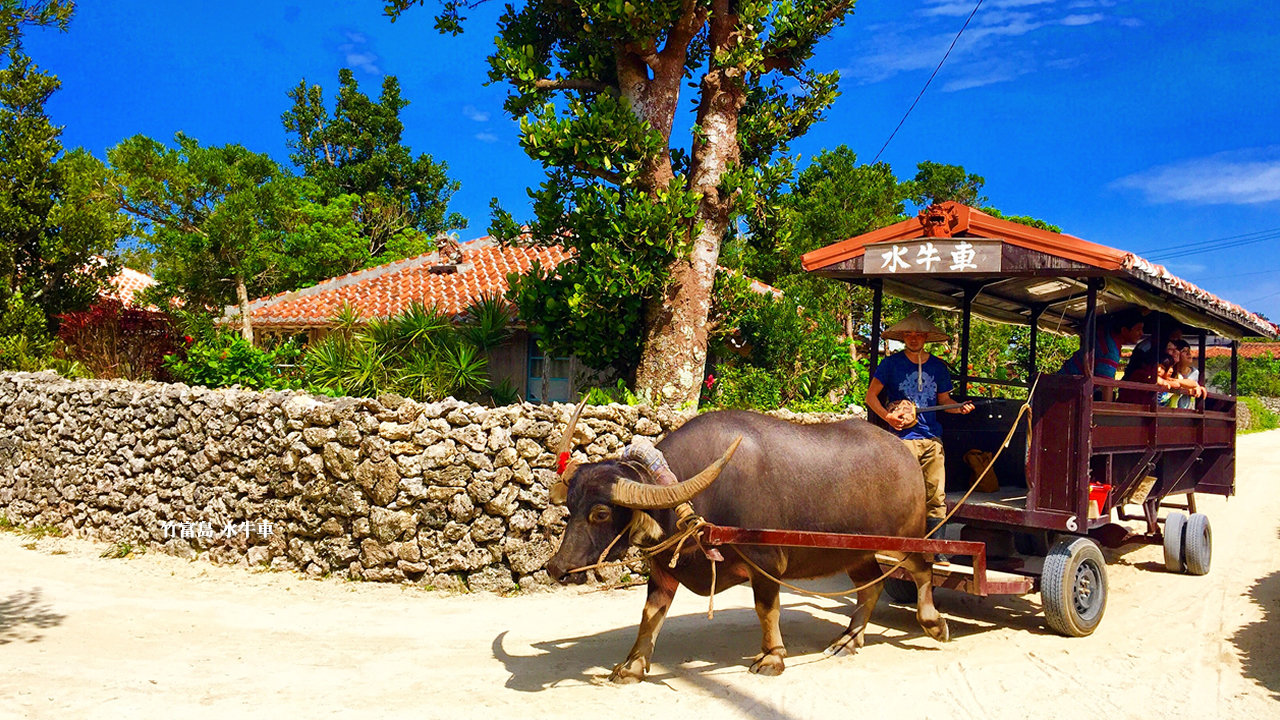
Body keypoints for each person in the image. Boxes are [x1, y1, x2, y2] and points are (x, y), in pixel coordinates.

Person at [864, 312, 974, 559]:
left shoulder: (938, 367)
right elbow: (870, 397)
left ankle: (935, 551)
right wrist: (888, 417)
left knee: (936, 495)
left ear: (926, 337)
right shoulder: (890, 365)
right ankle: (897, 547)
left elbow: (945, 401)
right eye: (909, 334)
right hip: (903, 441)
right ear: (903, 337)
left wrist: (960, 408)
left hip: (932, 439)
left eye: (918, 334)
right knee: (901, 495)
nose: (913, 338)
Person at [1058, 309, 1145, 401]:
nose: (1141, 333)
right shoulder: (1110, 352)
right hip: (1066, 392)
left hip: (1062, 383)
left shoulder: (1106, 332)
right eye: (1138, 329)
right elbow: (1106, 386)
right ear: (1124, 330)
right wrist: (1108, 413)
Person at [1158, 339, 1207, 408]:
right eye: (1184, 351)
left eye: (1189, 351)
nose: (1189, 354)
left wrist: (1197, 387)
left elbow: (1193, 384)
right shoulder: (1163, 373)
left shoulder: (1193, 373)